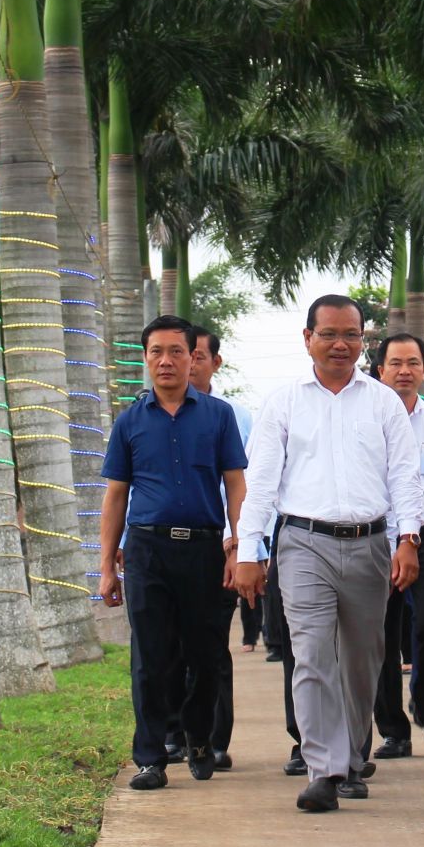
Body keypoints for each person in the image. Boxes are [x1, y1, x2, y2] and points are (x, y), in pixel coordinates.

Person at [234, 295, 422, 813]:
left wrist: (408, 540)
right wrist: (250, 549)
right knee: (313, 655)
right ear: (308, 338)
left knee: (364, 661)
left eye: (352, 335)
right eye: (329, 334)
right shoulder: (284, 401)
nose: (341, 344)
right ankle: (324, 769)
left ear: (364, 341)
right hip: (302, 544)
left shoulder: (382, 401)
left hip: (370, 545)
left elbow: (404, 475)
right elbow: (263, 481)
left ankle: (353, 755)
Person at [99, 315, 248, 791]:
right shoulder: (129, 421)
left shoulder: (218, 416)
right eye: (156, 352)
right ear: (145, 359)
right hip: (147, 551)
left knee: (205, 655)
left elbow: (235, 485)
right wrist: (107, 564)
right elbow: (116, 495)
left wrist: (238, 548)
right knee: (151, 656)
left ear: (193, 357)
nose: (166, 361)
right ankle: (150, 758)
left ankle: (199, 741)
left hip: (204, 549)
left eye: (176, 352)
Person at [157, 327, 254, 772]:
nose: (185, 362)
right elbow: (132, 489)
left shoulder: (236, 417)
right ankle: (174, 735)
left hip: (218, 546)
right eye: (178, 353)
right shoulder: (145, 413)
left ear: (214, 362)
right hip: (159, 548)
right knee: (167, 646)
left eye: (195, 355)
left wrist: (243, 545)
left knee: (211, 646)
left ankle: (213, 739)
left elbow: (245, 487)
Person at [371, 333, 424, 759]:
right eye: (396, 363)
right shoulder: (365, 418)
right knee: (380, 637)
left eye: (414, 363)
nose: (405, 371)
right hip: (377, 535)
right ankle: (393, 730)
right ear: (380, 369)